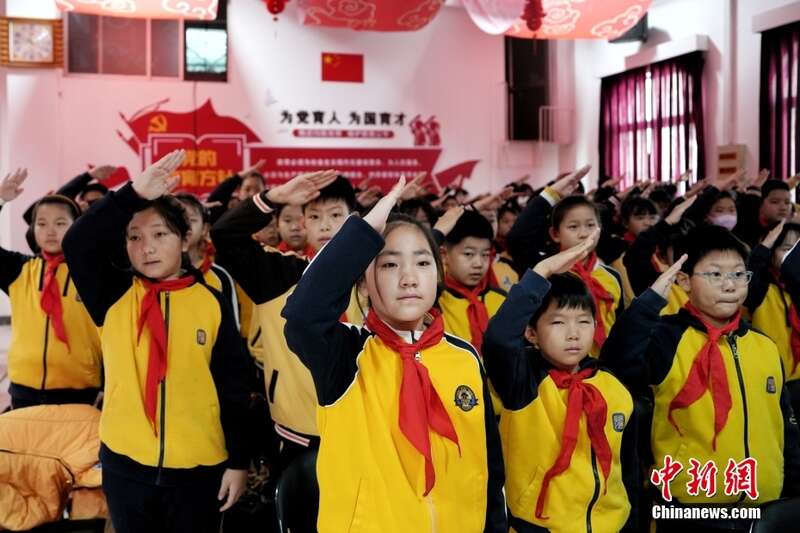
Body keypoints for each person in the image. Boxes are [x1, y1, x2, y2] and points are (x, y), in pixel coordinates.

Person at [282, 177, 505, 532]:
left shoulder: (464, 357)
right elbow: (302, 318)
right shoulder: (347, 354)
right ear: (362, 284)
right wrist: (363, 232)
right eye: (389, 265)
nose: (409, 278)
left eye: (422, 263)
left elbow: (489, 470)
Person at [62, 150, 251, 533]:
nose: (147, 247)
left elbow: (233, 388)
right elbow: (77, 242)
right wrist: (131, 193)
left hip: (199, 469)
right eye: (135, 237)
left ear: (184, 240)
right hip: (126, 466)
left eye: (160, 234)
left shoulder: (211, 302)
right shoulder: (112, 295)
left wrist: (238, 462)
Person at [602, 224, 800, 532]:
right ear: (684, 280)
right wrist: (650, 302)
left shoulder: (764, 345)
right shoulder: (665, 338)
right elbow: (616, 362)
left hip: (764, 510)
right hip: (689, 510)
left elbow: (785, 428)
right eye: (715, 274)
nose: (729, 285)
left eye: (739, 274)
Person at [483, 228, 640, 533]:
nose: (573, 333)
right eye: (558, 322)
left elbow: (628, 472)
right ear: (531, 333)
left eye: (583, 322)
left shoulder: (612, 386)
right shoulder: (523, 381)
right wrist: (541, 273)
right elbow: (498, 340)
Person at [0, 169, 102, 408]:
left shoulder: (92, 272)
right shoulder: (20, 270)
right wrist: (1, 200)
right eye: (42, 223)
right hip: (24, 392)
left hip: (81, 393)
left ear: (76, 227)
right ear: (33, 230)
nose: (50, 231)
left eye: (60, 223)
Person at [745, 220, 800, 415]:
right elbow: (749, 277)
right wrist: (763, 248)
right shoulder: (761, 289)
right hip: (771, 381)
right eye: (786, 248)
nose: (792, 255)